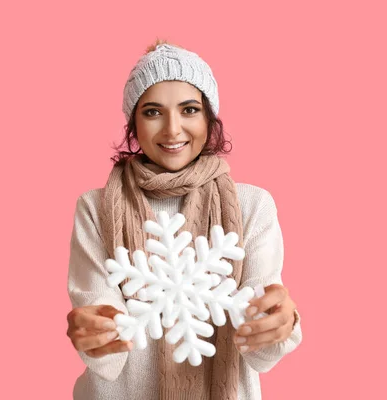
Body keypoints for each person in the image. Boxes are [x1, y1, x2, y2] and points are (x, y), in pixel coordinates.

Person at [66, 40, 302, 400]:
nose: (173, 129)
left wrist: (276, 324)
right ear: (133, 122)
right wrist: (94, 334)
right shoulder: (96, 208)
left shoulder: (252, 205)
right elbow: (107, 352)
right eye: (153, 112)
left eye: (189, 110)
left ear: (210, 117)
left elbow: (259, 345)